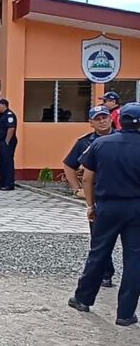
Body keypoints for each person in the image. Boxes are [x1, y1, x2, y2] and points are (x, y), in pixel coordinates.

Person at [68, 102, 140, 327]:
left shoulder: (101, 144)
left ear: (119, 120)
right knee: (135, 259)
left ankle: (83, 299)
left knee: (98, 253)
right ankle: (125, 314)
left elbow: (87, 178)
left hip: (107, 206)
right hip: (137, 208)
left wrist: (91, 205)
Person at [62, 105, 116, 287]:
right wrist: (78, 189)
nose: (102, 121)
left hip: (123, 193)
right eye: (98, 118)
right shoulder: (85, 142)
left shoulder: (124, 139)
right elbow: (69, 165)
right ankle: (106, 273)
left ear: (111, 118)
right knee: (100, 239)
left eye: (105, 117)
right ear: (91, 123)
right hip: (99, 196)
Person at [0, 99, 18, 191]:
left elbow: (11, 128)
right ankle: (2, 182)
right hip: (1, 142)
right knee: (1, 162)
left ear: (3, 105)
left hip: (7, 142)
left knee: (7, 162)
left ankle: (9, 184)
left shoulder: (9, 115)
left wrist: (7, 141)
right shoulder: (2, 115)